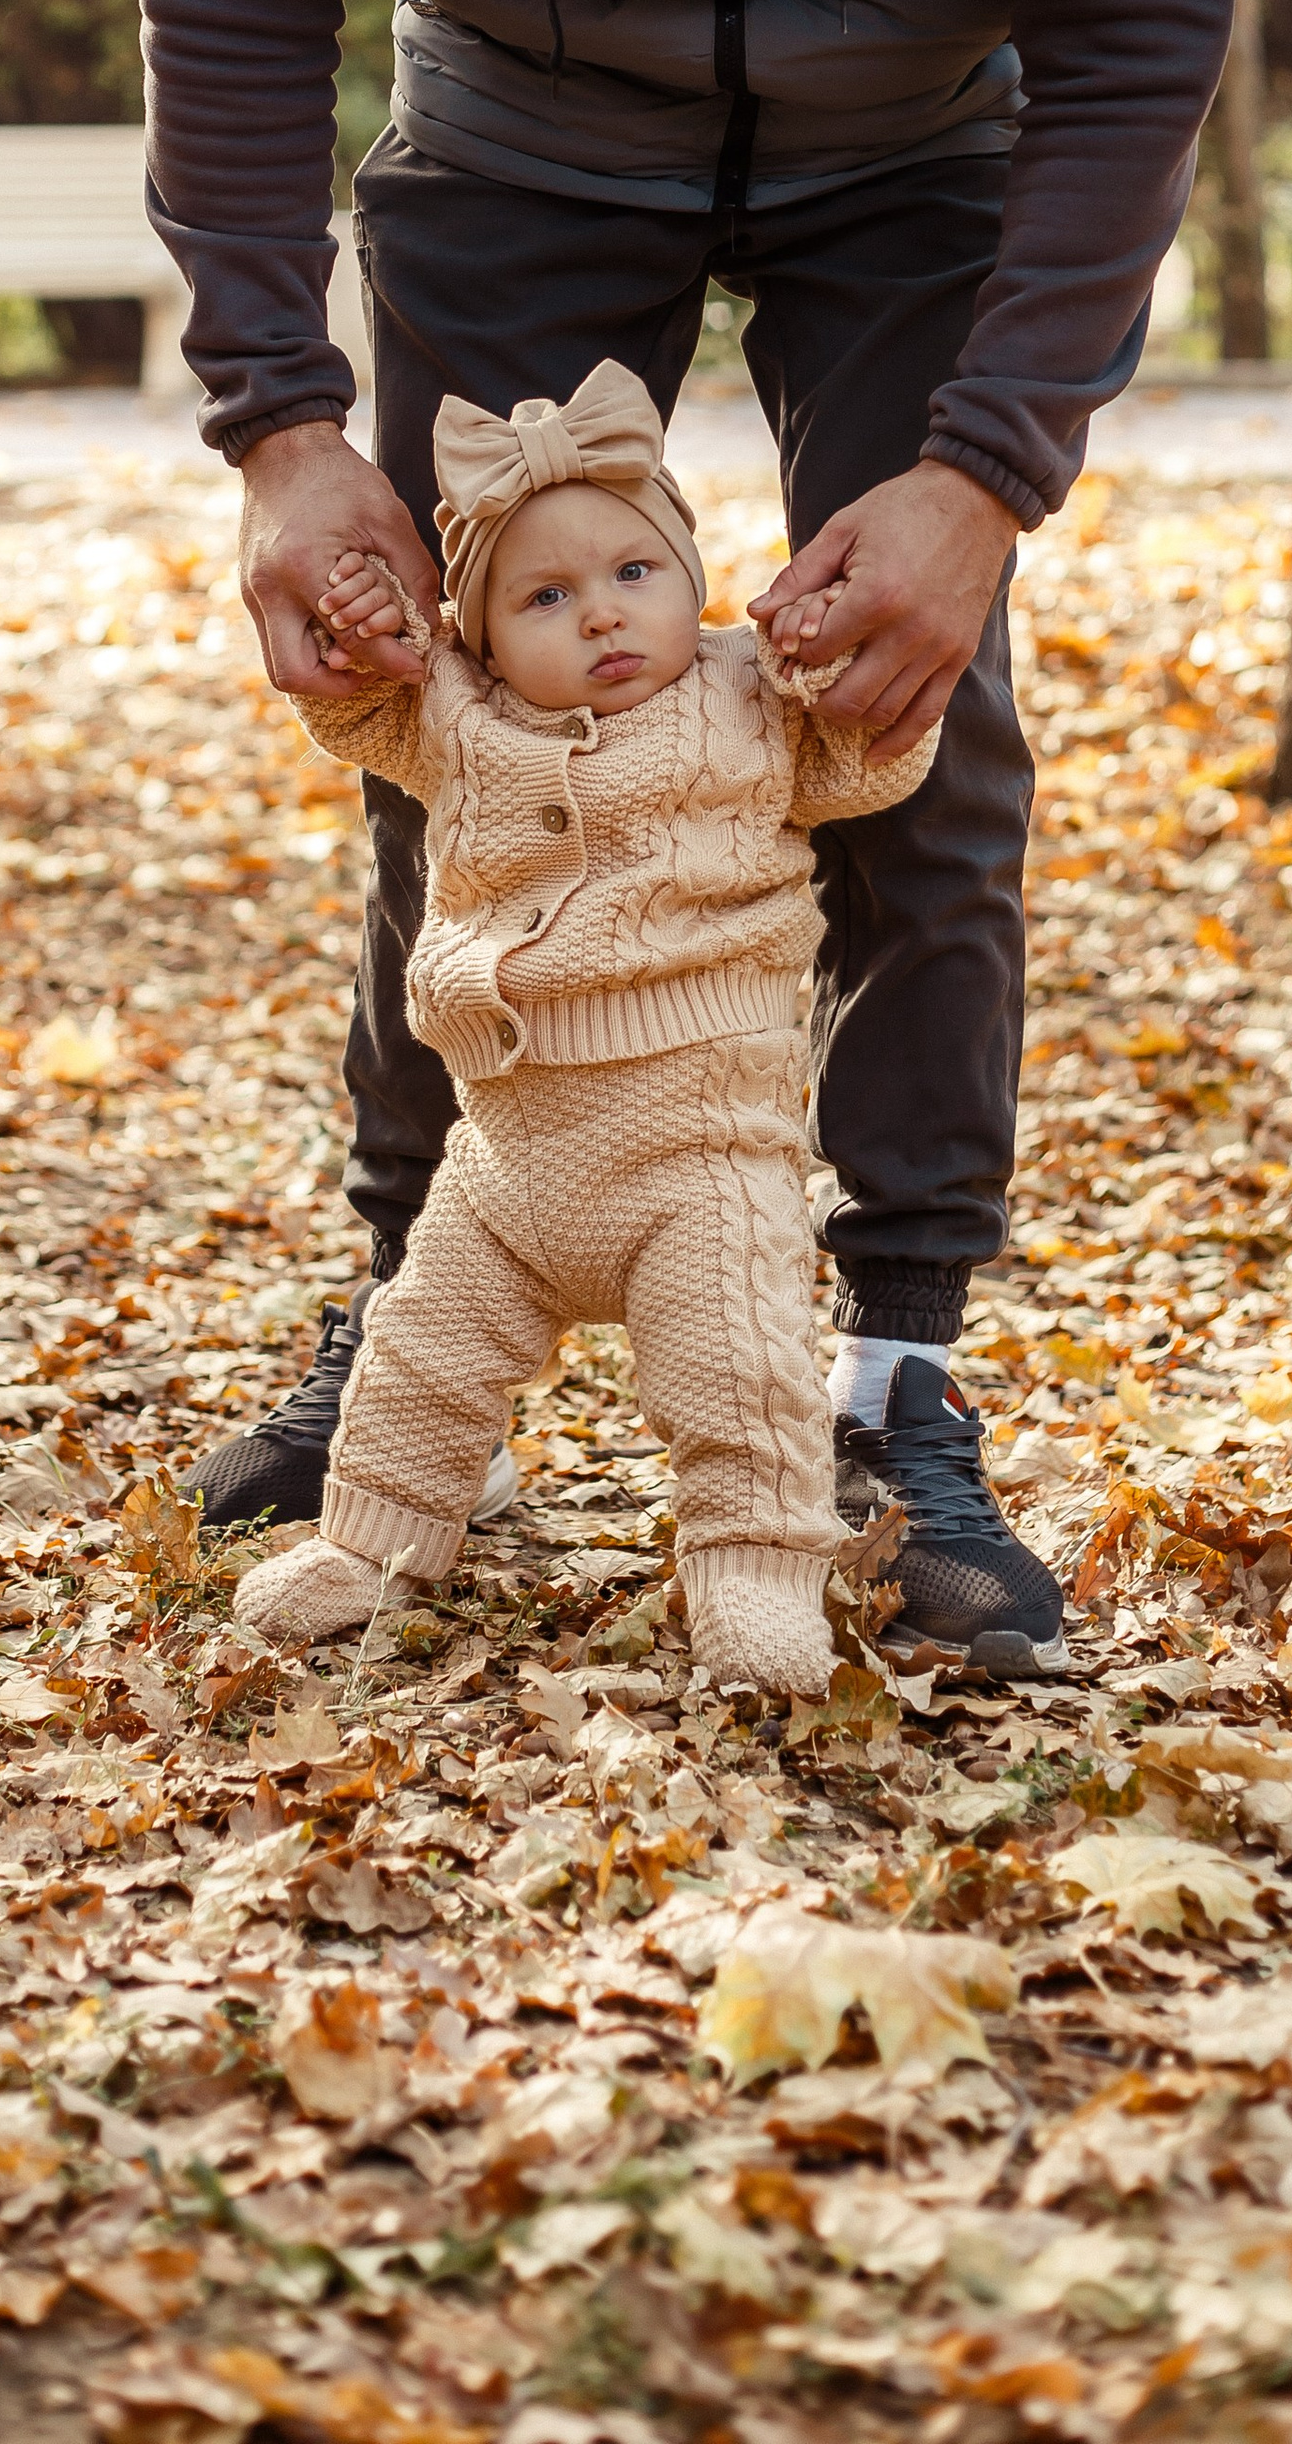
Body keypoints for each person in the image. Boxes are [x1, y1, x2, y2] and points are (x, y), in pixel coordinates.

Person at [139, 0, 1232, 1676]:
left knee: (907, 720)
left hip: (905, 141)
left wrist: (985, 478)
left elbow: (1136, 11)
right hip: (526, 127)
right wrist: (285, 429)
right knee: (458, 712)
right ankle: (426, 1300)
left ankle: (887, 1382)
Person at [234, 358, 1041, 1689]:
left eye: (635, 574)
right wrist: (367, 619)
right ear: (483, 634)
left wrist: (835, 665)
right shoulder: (460, 714)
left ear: (692, 577)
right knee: (418, 1357)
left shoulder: (750, 697)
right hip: (504, 1166)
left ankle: (754, 1572)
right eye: (545, 598)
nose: (602, 616)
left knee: (742, 1388)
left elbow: (871, 764)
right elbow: (358, 706)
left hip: (698, 1160)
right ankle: (372, 1541)